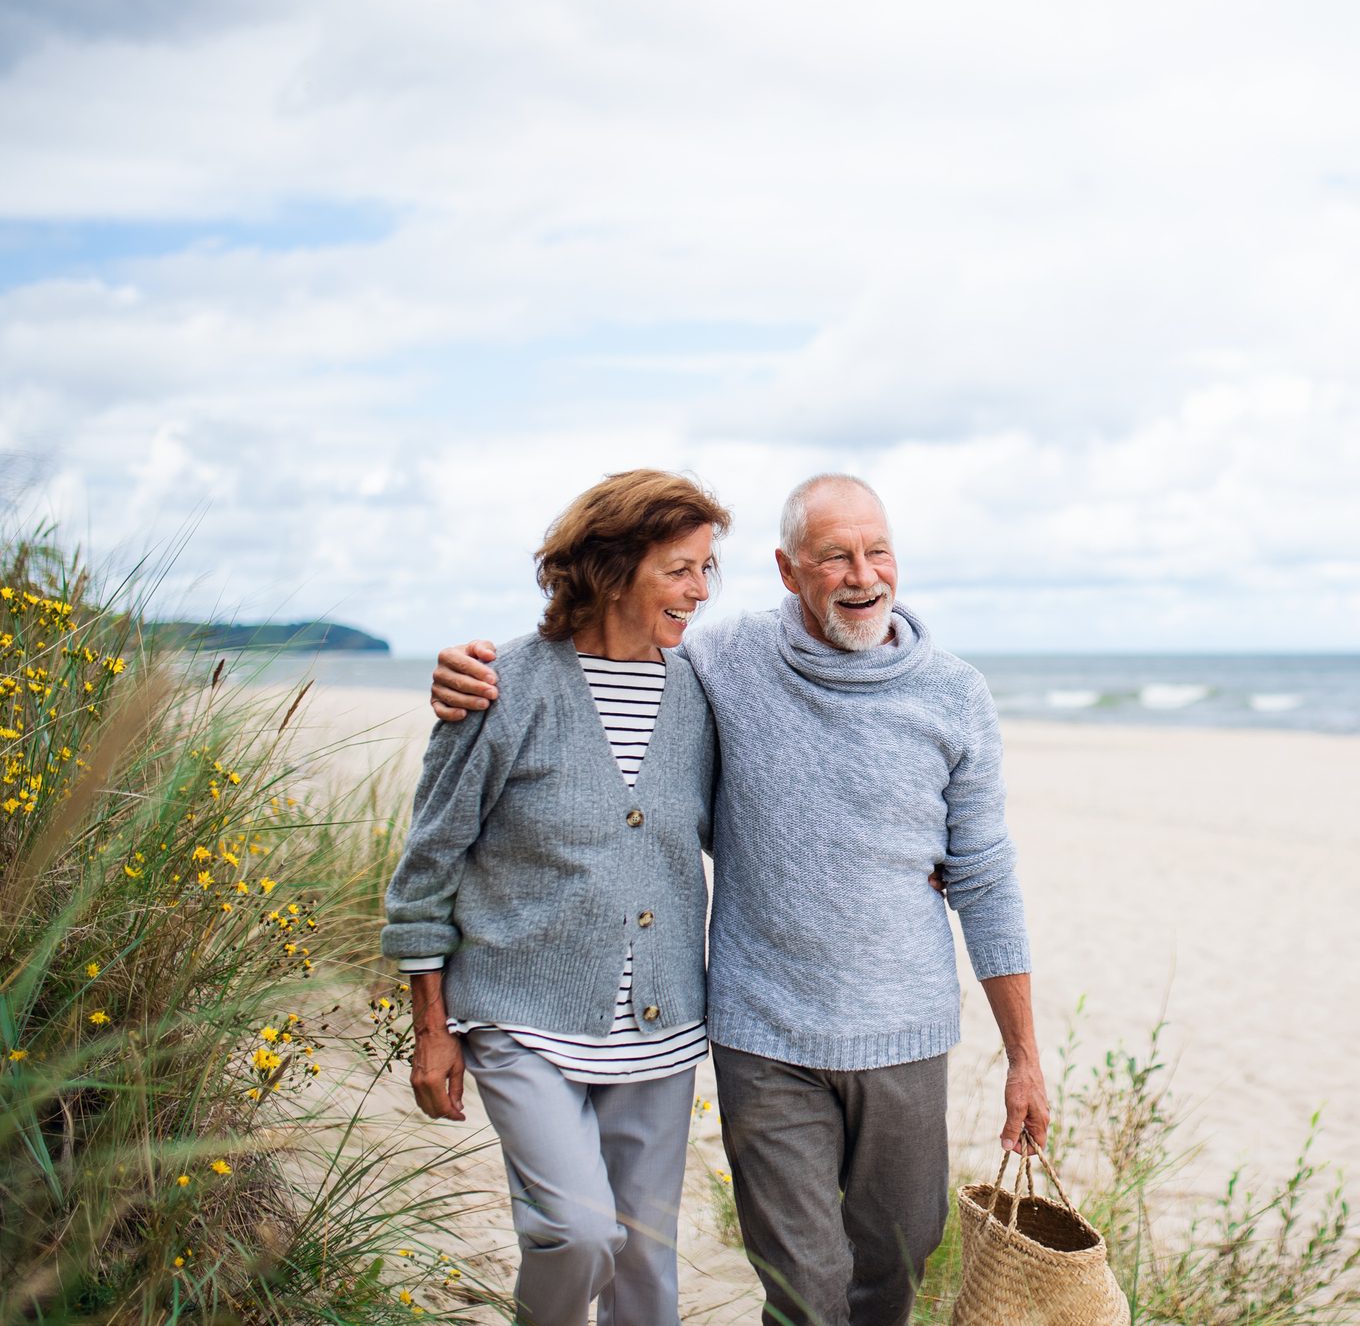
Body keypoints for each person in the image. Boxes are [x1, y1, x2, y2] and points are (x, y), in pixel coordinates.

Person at [428, 473, 1046, 1326]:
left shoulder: (953, 694)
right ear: (790, 572)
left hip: (898, 1027)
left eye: (877, 551)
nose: (863, 575)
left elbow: (982, 871)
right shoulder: (719, 662)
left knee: (898, 1257)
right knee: (800, 1286)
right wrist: (466, 672)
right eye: (835, 556)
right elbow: (600, 665)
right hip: (760, 1032)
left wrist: (1023, 1054)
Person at [383, 469, 728, 1326]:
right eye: (680, 569)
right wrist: (431, 1030)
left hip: (659, 1025)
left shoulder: (701, 692)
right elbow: (428, 867)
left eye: (706, 570)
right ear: (611, 567)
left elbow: (752, 819)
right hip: (519, 1017)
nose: (699, 591)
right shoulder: (503, 688)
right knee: (577, 1234)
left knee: (647, 1265)